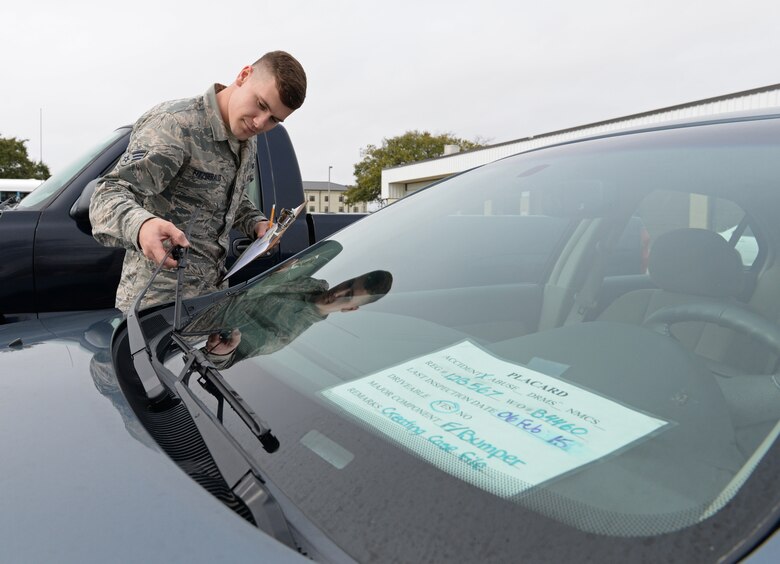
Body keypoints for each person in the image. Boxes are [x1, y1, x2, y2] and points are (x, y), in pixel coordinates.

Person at [89, 50, 307, 312]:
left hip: (208, 304)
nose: (260, 122)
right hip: (156, 310)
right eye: (261, 105)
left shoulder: (247, 139)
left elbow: (227, 197)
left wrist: (257, 223)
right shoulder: (175, 125)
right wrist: (142, 225)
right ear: (244, 75)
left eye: (274, 119)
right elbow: (106, 194)